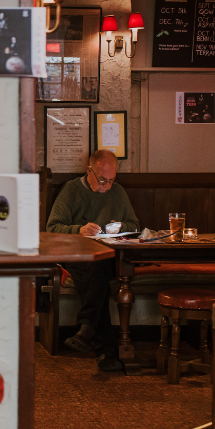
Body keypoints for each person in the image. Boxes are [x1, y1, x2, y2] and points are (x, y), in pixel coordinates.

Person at [46, 149, 140, 373]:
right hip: (78, 256)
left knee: (98, 271)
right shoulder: (71, 190)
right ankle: (104, 350)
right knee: (97, 276)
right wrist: (79, 230)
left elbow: (135, 226)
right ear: (89, 171)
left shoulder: (117, 192)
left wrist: (120, 226)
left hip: (110, 256)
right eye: (102, 180)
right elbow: (52, 228)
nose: (107, 186)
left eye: (111, 180)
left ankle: (87, 329)